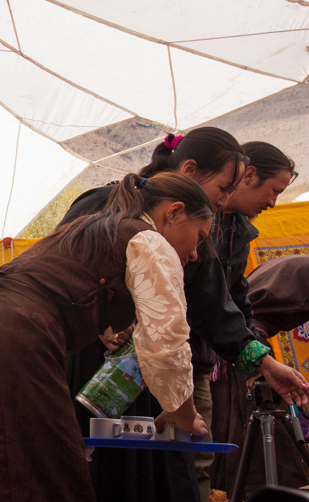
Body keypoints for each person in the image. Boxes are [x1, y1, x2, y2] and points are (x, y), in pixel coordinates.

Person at [0, 171, 215, 502]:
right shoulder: (150, 240)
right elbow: (168, 340)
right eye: (199, 237)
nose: (195, 254)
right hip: (15, 339)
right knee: (47, 470)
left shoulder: (96, 225)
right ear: (173, 213)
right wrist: (183, 413)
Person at [58, 128, 309, 502]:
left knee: (158, 473)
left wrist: (265, 364)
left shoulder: (197, 230)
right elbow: (65, 275)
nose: (225, 200)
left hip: (153, 376)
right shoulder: (103, 206)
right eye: (223, 187)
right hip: (94, 369)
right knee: (95, 466)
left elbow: (218, 305)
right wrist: (99, 319)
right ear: (189, 173)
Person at [208, 144, 304, 499]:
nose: (274, 203)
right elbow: (225, 307)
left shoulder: (238, 234)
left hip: (238, 342)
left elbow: (237, 299)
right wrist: (255, 356)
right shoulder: (202, 222)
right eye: (274, 190)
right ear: (248, 175)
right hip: (227, 347)